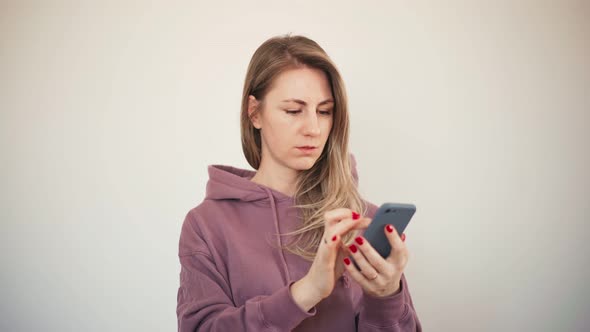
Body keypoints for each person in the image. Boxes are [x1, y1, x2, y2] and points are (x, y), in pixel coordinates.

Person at [176, 34, 422, 331]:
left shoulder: (359, 221)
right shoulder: (207, 225)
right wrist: (306, 292)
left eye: (324, 111)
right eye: (293, 111)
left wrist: (385, 298)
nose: (313, 129)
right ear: (254, 112)